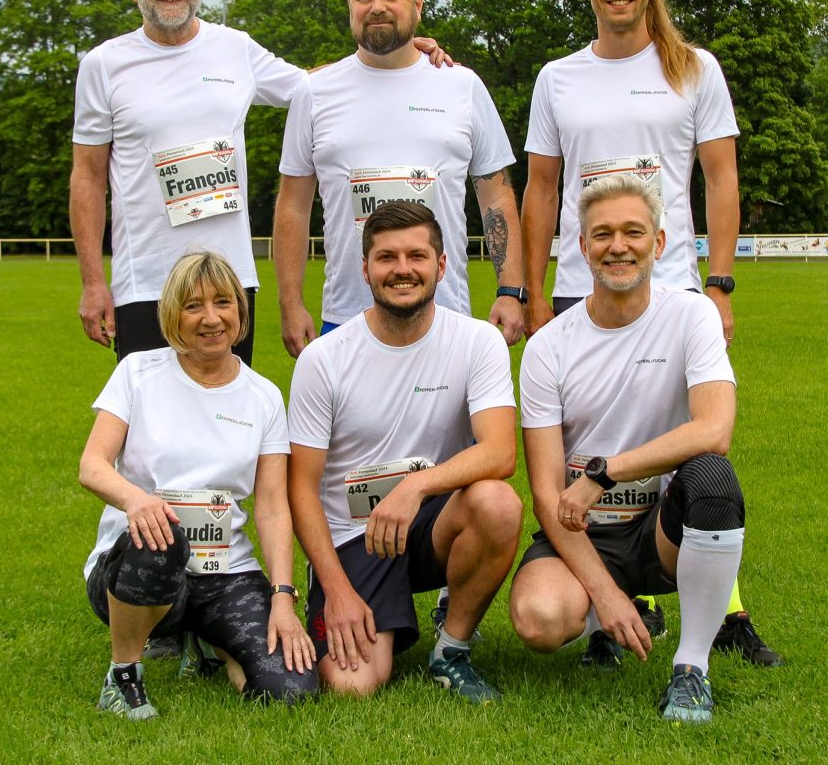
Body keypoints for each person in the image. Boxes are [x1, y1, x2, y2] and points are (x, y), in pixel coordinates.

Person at [520, 0, 781, 666]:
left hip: (670, 288)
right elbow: (541, 188)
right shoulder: (558, 77)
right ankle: (607, 602)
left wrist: (720, 282)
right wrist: (533, 292)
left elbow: (721, 177)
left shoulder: (694, 68)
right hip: (580, 290)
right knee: (581, 461)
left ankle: (722, 611)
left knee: (691, 457)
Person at [71, 0, 448, 365]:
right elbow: (88, 177)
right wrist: (94, 281)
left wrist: (398, 52)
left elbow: (312, 86)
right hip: (146, 284)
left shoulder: (235, 48)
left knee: (228, 418)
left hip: (230, 285)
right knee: (151, 426)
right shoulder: (104, 65)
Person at [510, 175, 748, 724]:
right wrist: (606, 594)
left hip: (661, 529)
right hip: (579, 526)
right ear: (583, 246)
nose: (618, 246)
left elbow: (714, 430)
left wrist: (605, 472)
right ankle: (601, 622)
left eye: (633, 232)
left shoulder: (692, 316)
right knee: (539, 621)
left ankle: (692, 670)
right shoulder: (548, 347)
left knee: (713, 476)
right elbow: (546, 492)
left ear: (659, 244)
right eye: (603, 234)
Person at [286, 202, 521, 703]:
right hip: (354, 534)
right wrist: (338, 590)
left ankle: (451, 649)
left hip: (429, 522)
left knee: (497, 502)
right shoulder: (323, 360)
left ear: (441, 265)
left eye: (417, 255)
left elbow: (501, 453)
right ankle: (354, 602)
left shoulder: (478, 342)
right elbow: (300, 487)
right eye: (386, 257)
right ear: (365, 267)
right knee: (353, 686)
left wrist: (415, 486)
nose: (402, 269)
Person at [79, 251, 318, 718]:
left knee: (291, 687)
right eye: (193, 306)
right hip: (138, 565)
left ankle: (210, 640)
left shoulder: (264, 396)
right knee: (160, 542)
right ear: (173, 314)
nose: (211, 319)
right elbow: (92, 465)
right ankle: (123, 674)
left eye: (223, 302)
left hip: (225, 575)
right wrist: (136, 500)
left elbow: (271, 509)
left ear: (239, 311)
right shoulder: (138, 373)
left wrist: (283, 597)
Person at [274, 0, 525, 359]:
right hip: (347, 321)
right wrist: (290, 303)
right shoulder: (314, 93)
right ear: (350, 7)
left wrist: (511, 291)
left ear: (418, 4)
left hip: (447, 318)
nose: (377, 7)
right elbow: (293, 207)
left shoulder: (462, 86)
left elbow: (496, 195)